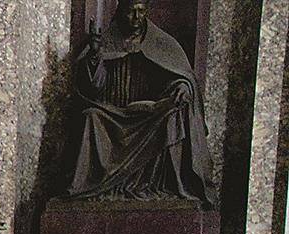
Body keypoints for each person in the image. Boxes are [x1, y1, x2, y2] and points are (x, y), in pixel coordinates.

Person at [67, 0, 215, 206]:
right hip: (114, 114)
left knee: (174, 116)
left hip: (149, 116)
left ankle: (156, 186)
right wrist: (94, 55)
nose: (137, 18)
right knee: (91, 116)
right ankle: (97, 186)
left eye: (141, 12)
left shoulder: (163, 43)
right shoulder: (106, 41)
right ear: (120, 13)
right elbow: (91, 89)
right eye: (130, 12)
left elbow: (181, 76)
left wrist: (182, 87)